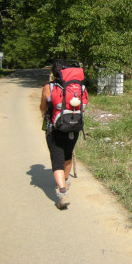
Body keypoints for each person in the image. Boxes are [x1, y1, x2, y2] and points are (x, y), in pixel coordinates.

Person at [40, 61, 79, 209]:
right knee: (68, 154)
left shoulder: (48, 87)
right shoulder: (78, 87)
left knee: (57, 160)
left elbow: (43, 108)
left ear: (54, 73)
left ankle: (62, 192)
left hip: (54, 129)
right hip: (73, 128)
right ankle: (66, 179)